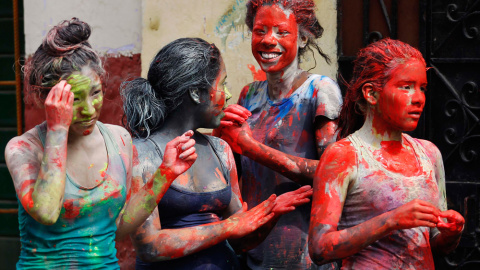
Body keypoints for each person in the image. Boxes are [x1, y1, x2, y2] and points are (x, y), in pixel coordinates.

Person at [5, 18, 197, 269]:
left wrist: (165, 174)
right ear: (46, 98)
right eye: (73, 99)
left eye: (95, 93)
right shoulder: (23, 149)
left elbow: (118, 228)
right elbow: (47, 212)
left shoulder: (119, 140)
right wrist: (57, 130)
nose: (88, 110)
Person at [121, 37, 313, 270]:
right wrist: (227, 227)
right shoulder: (142, 153)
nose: (229, 94)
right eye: (222, 84)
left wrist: (269, 214)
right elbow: (150, 246)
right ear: (196, 93)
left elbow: (240, 241)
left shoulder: (220, 150)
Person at [308, 38, 465, 269]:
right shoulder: (345, 156)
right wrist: (391, 220)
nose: (418, 98)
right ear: (371, 94)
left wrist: (451, 233)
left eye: (422, 88)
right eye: (406, 86)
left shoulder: (429, 154)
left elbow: (435, 243)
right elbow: (319, 247)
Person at [213, 0, 342, 268]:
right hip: (254, 252)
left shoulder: (319, 91)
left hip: (304, 256)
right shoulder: (249, 95)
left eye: (281, 32)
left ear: (303, 38)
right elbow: (236, 169)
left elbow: (334, 175)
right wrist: (219, 132)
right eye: (260, 31)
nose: (269, 40)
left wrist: (251, 147)